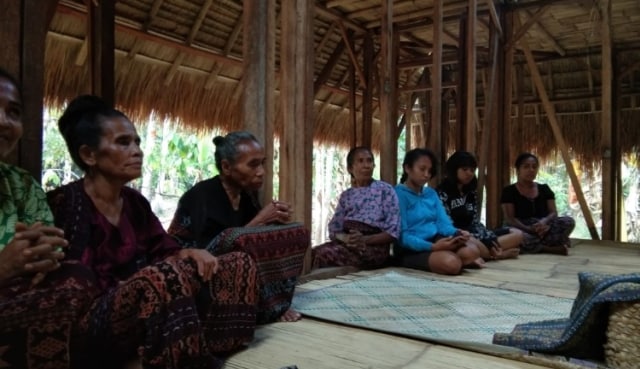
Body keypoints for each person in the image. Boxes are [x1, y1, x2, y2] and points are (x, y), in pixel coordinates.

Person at [47, 95, 258, 369]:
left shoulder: (135, 203)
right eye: (124, 142)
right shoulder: (66, 203)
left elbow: (164, 250)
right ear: (89, 155)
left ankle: (206, 343)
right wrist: (141, 285)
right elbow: (71, 282)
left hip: (148, 299)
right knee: (161, 278)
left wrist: (189, 253)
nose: (137, 151)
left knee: (236, 263)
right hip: (94, 320)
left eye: (137, 142)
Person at [0, 68, 97, 369]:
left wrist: (41, 254)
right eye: (123, 142)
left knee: (74, 280)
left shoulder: (21, 184)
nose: (4, 121)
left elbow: (49, 244)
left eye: (13, 112)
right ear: (89, 154)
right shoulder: (70, 198)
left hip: (22, 298)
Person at [168, 131, 308, 323]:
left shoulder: (247, 196)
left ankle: (275, 306)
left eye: (262, 163)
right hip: (199, 273)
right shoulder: (202, 195)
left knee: (296, 232)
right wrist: (260, 220)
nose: (261, 172)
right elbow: (208, 250)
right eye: (253, 165)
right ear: (226, 166)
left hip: (237, 270)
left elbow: (251, 240)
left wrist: (274, 222)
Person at [394, 148, 484, 275]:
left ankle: (447, 258)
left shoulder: (430, 193)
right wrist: (433, 247)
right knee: (452, 264)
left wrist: (457, 233)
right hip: (411, 248)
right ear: (407, 168)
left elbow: (443, 223)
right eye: (422, 169)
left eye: (430, 171)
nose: (426, 174)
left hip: (436, 240)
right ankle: (446, 259)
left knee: (472, 252)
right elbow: (402, 236)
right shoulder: (398, 194)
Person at [312, 146, 400, 269]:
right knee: (312, 253)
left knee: (324, 255)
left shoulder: (385, 190)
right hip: (349, 244)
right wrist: (346, 238)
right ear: (350, 168)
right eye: (360, 161)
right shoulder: (347, 195)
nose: (366, 165)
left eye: (369, 161)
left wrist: (364, 239)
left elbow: (393, 232)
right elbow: (334, 229)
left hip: (374, 247)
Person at [437, 151, 522, 261]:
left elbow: (474, 221)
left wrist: (485, 236)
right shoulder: (442, 193)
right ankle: (498, 254)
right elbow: (447, 225)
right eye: (465, 169)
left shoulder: (471, 193)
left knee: (517, 233)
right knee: (469, 244)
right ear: (454, 169)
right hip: (458, 235)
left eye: (472, 170)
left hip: (475, 233)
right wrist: (476, 237)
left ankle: (489, 251)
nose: (469, 173)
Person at [500, 153, 575, 255]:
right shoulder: (509, 191)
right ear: (518, 169)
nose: (531, 170)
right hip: (521, 227)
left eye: (534, 167)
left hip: (543, 227)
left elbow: (553, 213)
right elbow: (510, 219)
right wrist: (529, 229)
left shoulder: (544, 189)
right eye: (526, 166)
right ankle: (547, 248)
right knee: (517, 236)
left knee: (568, 221)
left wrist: (544, 222)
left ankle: (536, 245)